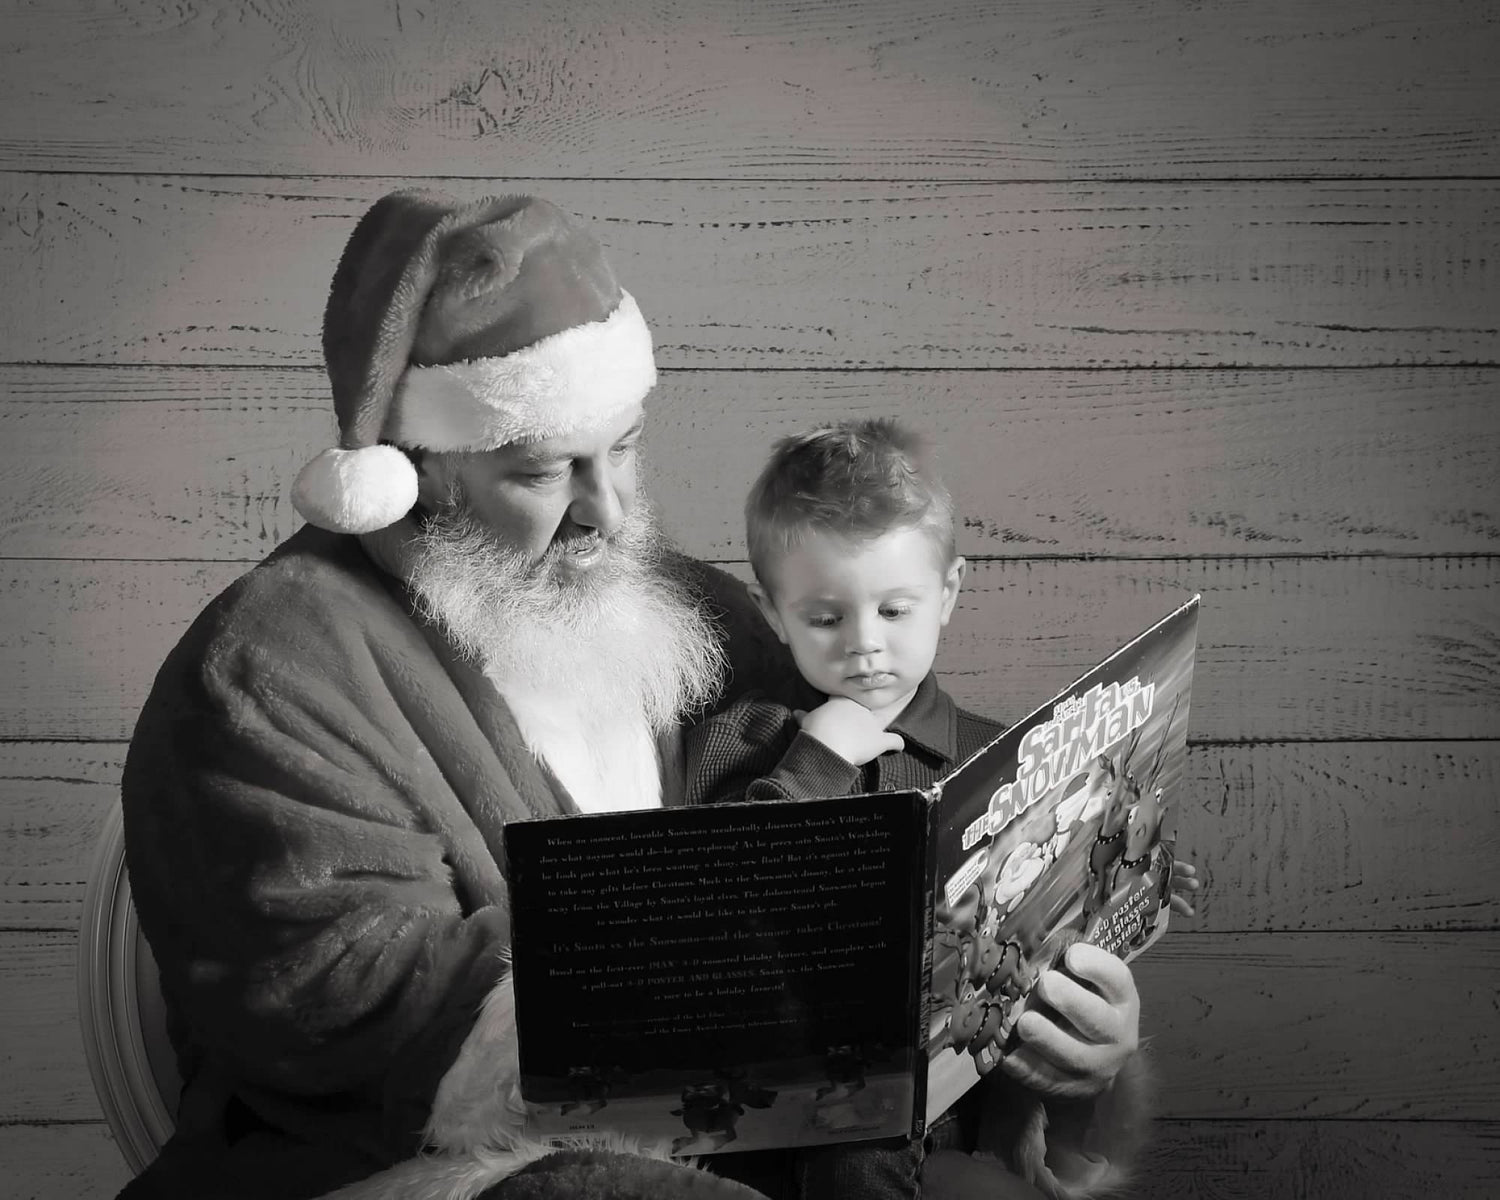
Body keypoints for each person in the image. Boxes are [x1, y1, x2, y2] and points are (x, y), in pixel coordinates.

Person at [119, 189, 788, 1200]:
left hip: (745, 1134)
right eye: (546, 471)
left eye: (624, 446)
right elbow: (341, 994)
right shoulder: (270, 667)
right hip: (415, 1171)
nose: (606, 513)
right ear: (423, 471)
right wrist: (731, 992)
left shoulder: (702, 617)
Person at [686, 420, 1188, 1200]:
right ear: (774, 611)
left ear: (947, 593)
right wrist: (812, 761)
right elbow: (710, 896)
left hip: (953, 1102)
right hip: (780, 1092)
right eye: (824, 618)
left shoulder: (1000, 758)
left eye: (895, 611)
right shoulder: (738, 744)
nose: (865, 647)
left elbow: (1055, 898)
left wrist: (1134, 880)